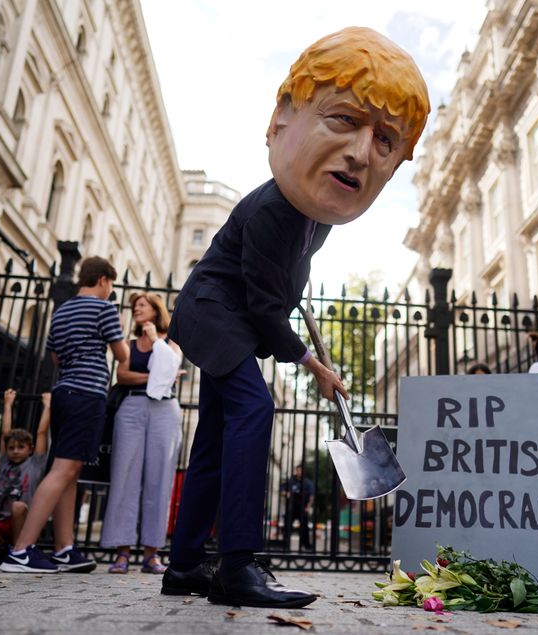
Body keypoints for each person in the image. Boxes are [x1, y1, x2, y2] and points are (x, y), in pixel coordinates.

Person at [160, 27, 429, 608]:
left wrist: (306, 342)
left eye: (385, 141)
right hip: (213, 313)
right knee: (255, 408)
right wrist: (312, 364)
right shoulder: (273, 209)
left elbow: (279, 291)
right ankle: (237, 564)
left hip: (234, 320)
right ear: (283, 121)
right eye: (345, 122)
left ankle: (183, 567)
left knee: (212, 439)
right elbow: (260, 302)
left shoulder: (318, 218)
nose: (361, 151)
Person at [0, 256, 128, 574]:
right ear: (103, 281)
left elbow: (55, 356)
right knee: (63, 471)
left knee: (67, 470)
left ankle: (64, 548)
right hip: (87, 394)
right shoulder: (104, 309)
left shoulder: (62, 310)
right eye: (110, 285)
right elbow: (122, 354)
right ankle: (21, 551)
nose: (110, 291)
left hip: (64, 392)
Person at [102, 292, 183, 574]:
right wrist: (155, 377)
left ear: (155, 310)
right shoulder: (129, 344)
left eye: (142, 305)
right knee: (125, 476)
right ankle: (121, 552)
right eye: (134, 305)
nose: (136, 309)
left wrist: (157, 340)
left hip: (165, 410)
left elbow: (173, 364)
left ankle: (152, 554)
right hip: (132, 406)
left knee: (160, 480)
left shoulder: (170, 340)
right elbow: (122, 375)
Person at [0, 389, 50, 551]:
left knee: (18, 506)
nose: (15, 451)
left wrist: (47, 406)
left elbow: (41, 433)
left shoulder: (35, 464)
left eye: (21, 447)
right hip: (1, 521)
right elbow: (5, 433)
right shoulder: (5, 463)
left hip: (24, 523)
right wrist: (7, 405)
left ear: (31, 449)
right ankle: (4, 550)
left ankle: (18, 551)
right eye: (11, 448)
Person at [281, 465, 314, 551]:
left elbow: (311, 496)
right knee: (287, 526)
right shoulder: (291, 481)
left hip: (302, 507)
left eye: (301, 470)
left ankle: (306, 546)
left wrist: (308, 506)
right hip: (291, 506)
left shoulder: (307, 482)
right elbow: (282, 489)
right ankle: (285, 545)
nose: (299, 472)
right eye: (298, 470)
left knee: (304, 527)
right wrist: (285, 493)